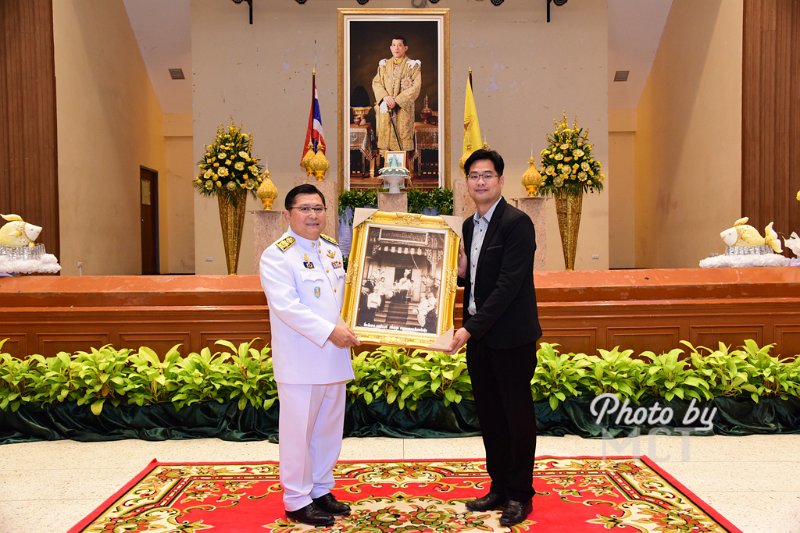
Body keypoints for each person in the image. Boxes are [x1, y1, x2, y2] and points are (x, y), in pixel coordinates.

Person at [445, 149, 542, 528]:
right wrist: (457, 274)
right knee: (490, 415)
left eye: (487, 175)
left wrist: (468, 330)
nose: (480, 181)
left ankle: (520, 494)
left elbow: (507, 287)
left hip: (511, 338)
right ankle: (499, 486)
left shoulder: (518, 224)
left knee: (516, 417)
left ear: (501, 180)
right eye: (474, 175)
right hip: (481, 338)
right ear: (467, 183)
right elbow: (477, 280)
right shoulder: (469, 226)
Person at [259, 184, 361, 527]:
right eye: (304, 209)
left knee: (328, 431)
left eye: (318, 208)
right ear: (287, 214)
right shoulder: (277, 255)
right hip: (301, 362)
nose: (313, 215)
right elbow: (288, 308)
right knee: (298, 434)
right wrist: (331, 331)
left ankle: (320, 488)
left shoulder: (331, 250)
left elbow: (344, 299)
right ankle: (297, 499)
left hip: (334, 357)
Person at [372, 35, 421, 158]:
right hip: (386, 108)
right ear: (390, 47)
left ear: (405, 48)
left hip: (403, 110)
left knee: (402, 140)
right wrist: (385, 97)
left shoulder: (412, 66)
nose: (396, 48)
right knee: (386, 140)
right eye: (394, 45)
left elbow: (416, 87)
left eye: (399, 45)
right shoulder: (384, 65)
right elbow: (376, 82)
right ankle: (387, 167)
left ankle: (403, 167)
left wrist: (397, 101)